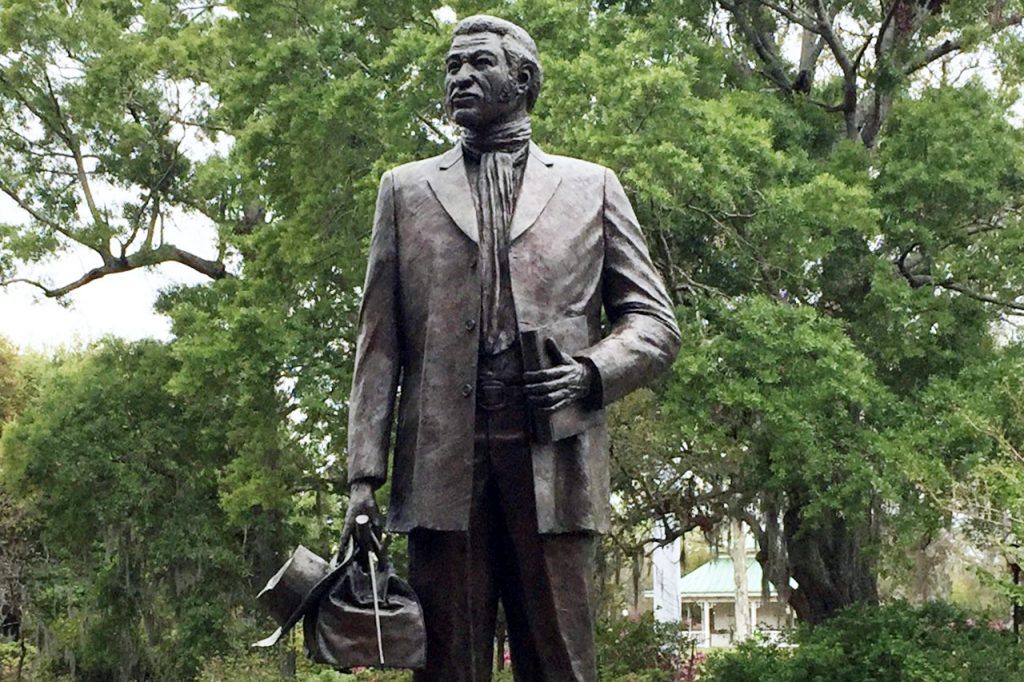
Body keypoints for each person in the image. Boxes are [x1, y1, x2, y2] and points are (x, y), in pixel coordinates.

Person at [338, 15, 680, 681]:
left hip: (552, 456)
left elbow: (655, 324)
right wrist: (362, 478)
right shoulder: (405, 190)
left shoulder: (592, 187)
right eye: (451, 66)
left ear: (522, 81)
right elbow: (378, 347)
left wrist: (589, 374)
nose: (459, 77)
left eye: (478, 65)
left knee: (560, 661)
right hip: (441, 463)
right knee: (446, 666)